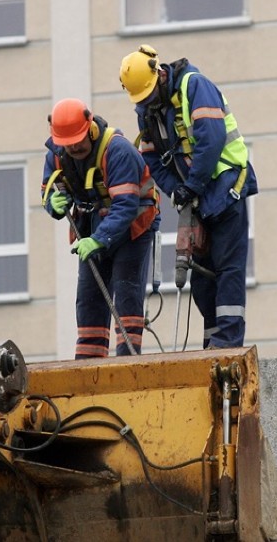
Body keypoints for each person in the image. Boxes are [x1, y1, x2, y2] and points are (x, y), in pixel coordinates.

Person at [119, 45, 257, 349]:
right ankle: (212, 343)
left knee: (228, 269)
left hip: (227, 186)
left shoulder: (194, 86)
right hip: (200, 198)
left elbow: (212, 139)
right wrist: (176, 190)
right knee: (203, 278)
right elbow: (151, 158)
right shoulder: (148, 109)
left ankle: (229, 342)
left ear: (159, 75)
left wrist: (191, 186)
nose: (145, 103)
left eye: (148, 95)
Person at [41, 98, 160, 359]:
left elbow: (126, 206)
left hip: (132, 228)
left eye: (78, 140)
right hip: (92, 226)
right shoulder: (57, 154)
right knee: (89, 298)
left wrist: (98, 239)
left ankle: (128, 361)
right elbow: (47, 191)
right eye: (67, 143)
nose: (73, 147)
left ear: (90, 129)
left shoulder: (117, 151)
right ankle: (89, 365)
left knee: (127, 292)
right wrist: (54, 203)